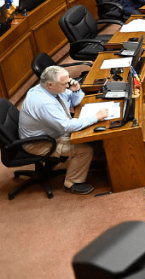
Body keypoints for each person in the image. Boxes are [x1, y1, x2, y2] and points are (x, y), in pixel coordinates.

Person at [18, 66, 108, 195]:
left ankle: (98, 160)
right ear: (50, 84)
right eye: (64, 84)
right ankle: (71, 183)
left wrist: (76, 91)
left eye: (68, 82)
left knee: (92, 132)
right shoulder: (44, 103)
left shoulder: (53, 89)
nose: (67, 86)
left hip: (54, 131)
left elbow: (72, 103)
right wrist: (95, 117)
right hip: (38, 143)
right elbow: (66, 126)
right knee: (84, 149)